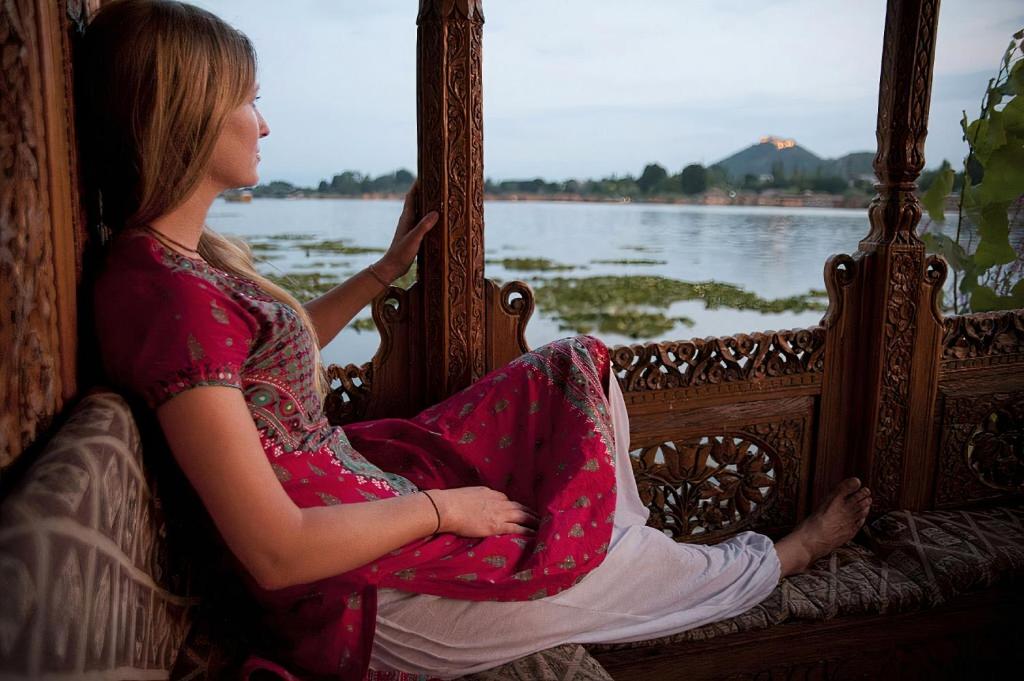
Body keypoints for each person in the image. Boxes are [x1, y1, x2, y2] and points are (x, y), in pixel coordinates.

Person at [80, 1, 872, 679]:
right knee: (614, 563)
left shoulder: (182, 262)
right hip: (354, 593)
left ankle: (606, 539)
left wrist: (383, 273)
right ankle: (780, 557)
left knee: (572, 367)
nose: (265, 121)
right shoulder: (161, 294)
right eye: (249, 100)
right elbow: (277, 551)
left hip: (361, 489)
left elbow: (267, 373)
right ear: (187, 110)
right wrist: (443, 509)